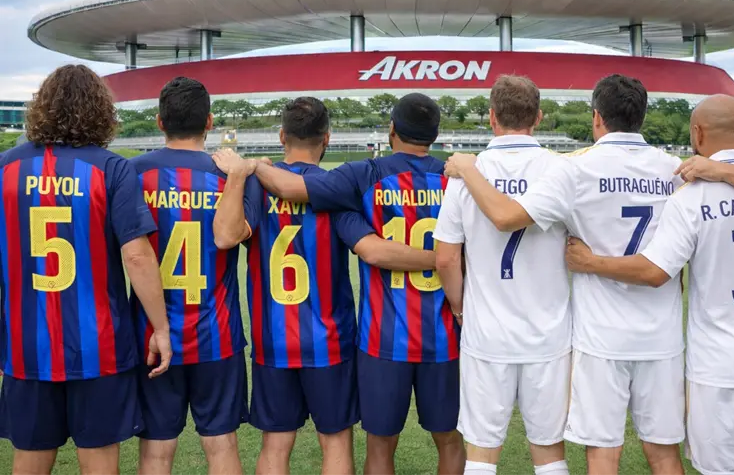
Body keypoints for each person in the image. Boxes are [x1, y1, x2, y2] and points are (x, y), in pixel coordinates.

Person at [444, 75, 686, 475]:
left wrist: (469, 170)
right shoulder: (674, 170)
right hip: (579, 333)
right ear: (538, 117)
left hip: (554, 334)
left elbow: (476, 238)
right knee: (571, 449)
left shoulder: (573, 171)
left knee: (485, 450)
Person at [565, 94, 734, 475]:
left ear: (696, 133)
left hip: (721, 364)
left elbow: (654, 272)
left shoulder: (691, 195)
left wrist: (589, 262)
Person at [223, 93, 465, 475]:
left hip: (297, 337)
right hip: (350, 338)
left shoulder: (351, 180)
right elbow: (370, 248)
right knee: (437, 438)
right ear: (328, 138)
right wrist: (449, 262)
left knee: (282, 445)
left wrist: (248, 168)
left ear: (282, 135)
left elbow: (256, 215)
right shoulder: (454, 180)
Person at [0, 65, 171, 475]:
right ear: (100, 111)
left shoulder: (5, 168)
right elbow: (137, 256)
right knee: (98, 461)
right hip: (99, 345)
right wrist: (160, 328)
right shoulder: (111, 168)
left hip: (26, 344)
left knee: (29, 460)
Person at [433, 76, 571, 475]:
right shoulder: (558, 169)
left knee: (481, 452)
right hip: (548, 332)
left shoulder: (466, 173)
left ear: (491, 117)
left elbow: (445, 259)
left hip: (487, 332)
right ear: (539, 118)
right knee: (548, 451)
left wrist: (460, 307)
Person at [131, 77, 248, 475]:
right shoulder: (228, 176)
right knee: (222, 446)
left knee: (156, 450)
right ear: (210, 122)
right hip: (217, 333)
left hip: (150, 336)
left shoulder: (130, 174)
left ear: (160, 122)